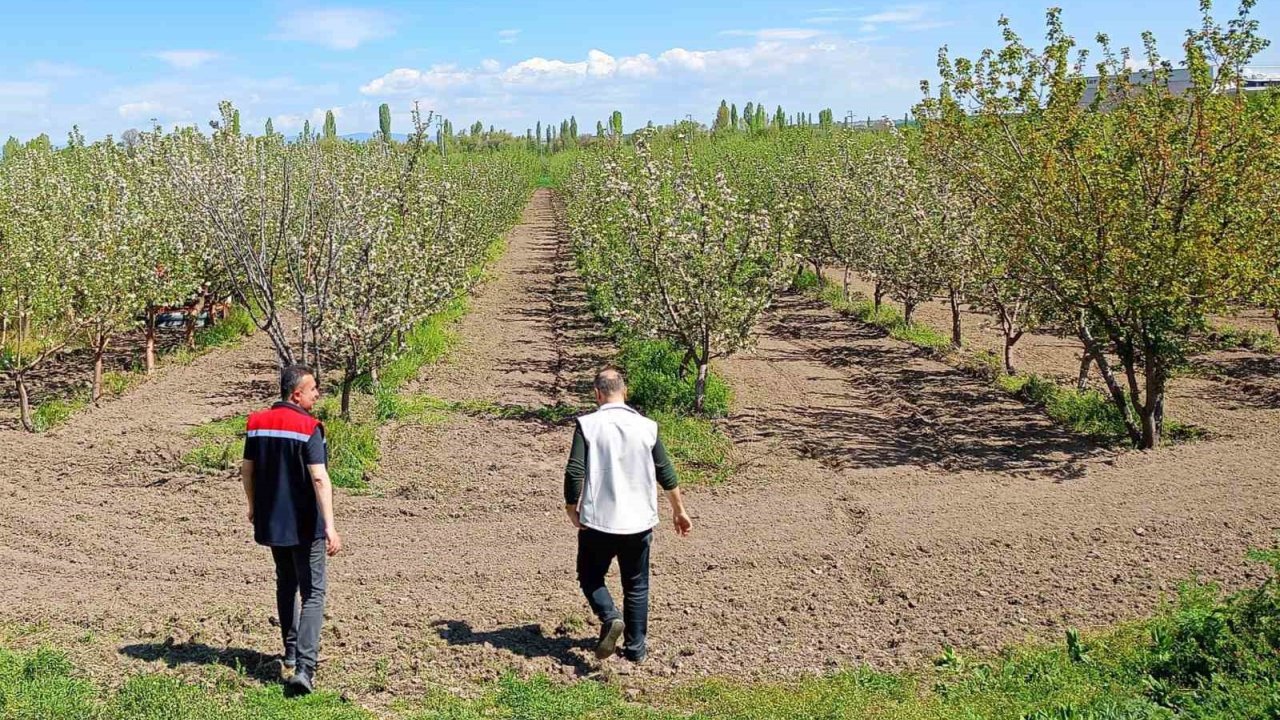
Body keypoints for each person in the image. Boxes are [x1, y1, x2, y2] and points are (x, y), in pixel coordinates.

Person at [563, 367, 692, 664]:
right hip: (639, 521)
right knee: (636, 585)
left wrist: (572, 508)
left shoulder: (588, 425)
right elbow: (666, 472)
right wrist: (679, 510)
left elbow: (574, 471)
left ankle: (610, 617)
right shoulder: (648, 426)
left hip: (599, 521)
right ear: (626, 392)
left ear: (597, 394)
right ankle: (636, 650)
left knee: (590, 576)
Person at [240, 364, 343, 695]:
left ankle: (289, 653)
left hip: (273, 521)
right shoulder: (309, 427)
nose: (317, 394)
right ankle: (305, 668)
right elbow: (319, 477)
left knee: (286, 583)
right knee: (313, 591)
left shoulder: (256, 424)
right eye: (313, 389)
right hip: (304, 524)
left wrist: (254, 506)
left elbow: (247, 471)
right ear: (296, 393)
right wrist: (330, 525)